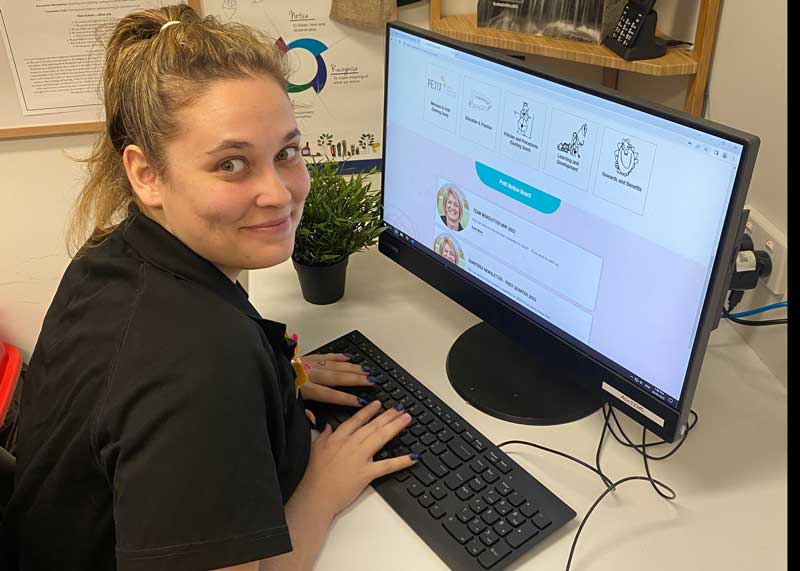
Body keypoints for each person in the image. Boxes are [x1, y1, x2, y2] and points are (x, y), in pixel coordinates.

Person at [0, 6, 417, 571]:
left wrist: (280, 374)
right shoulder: (200, 365)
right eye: (231, 164)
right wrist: (323, 488)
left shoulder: (117, 249)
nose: (279, 192)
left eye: (286, 153)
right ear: (146, 174)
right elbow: (182, 376)